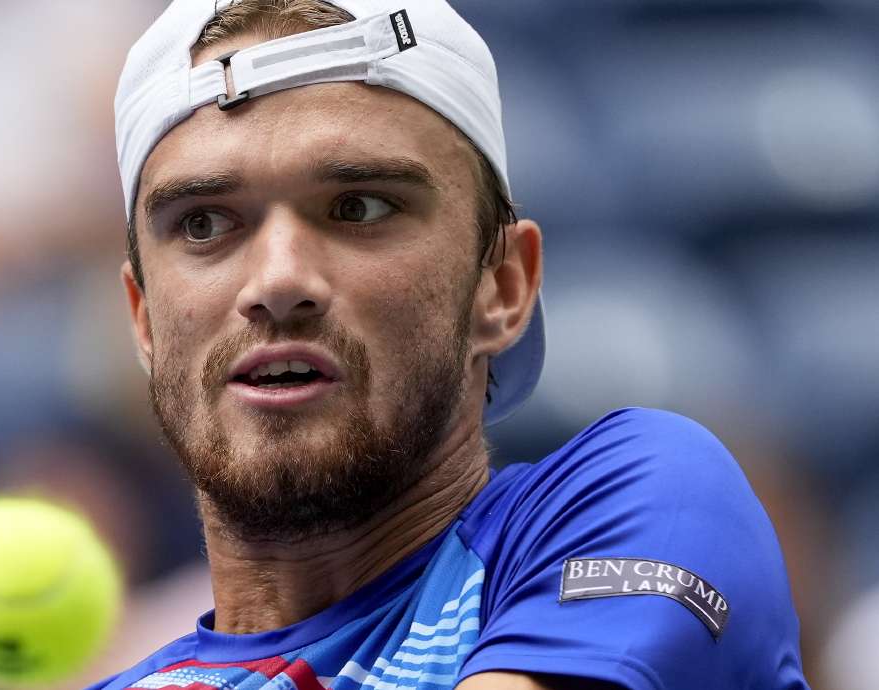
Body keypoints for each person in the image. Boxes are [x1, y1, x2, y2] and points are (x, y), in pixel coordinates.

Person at [96, 1, 810, 688]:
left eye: (359, 206)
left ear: (501, 286)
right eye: (202, 224)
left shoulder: (656, 505)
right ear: (144, 319)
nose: (279, 280)